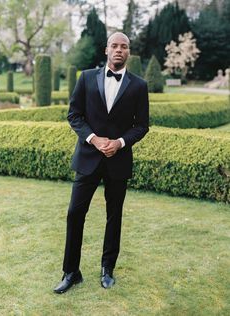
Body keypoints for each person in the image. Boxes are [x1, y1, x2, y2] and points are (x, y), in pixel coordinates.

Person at [54, 32, 149, 294]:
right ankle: (71, 272)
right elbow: (74, 115)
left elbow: (141, 126)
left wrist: (119, 143)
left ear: (128, 52)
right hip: (88, 157)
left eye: (124, 47)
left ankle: (107, 269)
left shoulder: (139, 86)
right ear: (106, 49)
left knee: (113, 216)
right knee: (75, 214)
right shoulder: (85, 78)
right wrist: (94, 140)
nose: (119, 50)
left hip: (118, 160)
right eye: (115, 46)